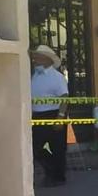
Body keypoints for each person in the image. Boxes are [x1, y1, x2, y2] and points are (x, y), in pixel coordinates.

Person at [31, 45, 69, 187]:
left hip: (53, 113)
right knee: (36, 147)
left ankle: (58, 177)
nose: (35, 60)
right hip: (37, 115)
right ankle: (51, 171)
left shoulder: (57, 77)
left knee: (58, 148)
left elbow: (65, 97)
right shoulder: (35, 76)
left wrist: (60, 117)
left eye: (38, 57)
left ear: (47, 59)